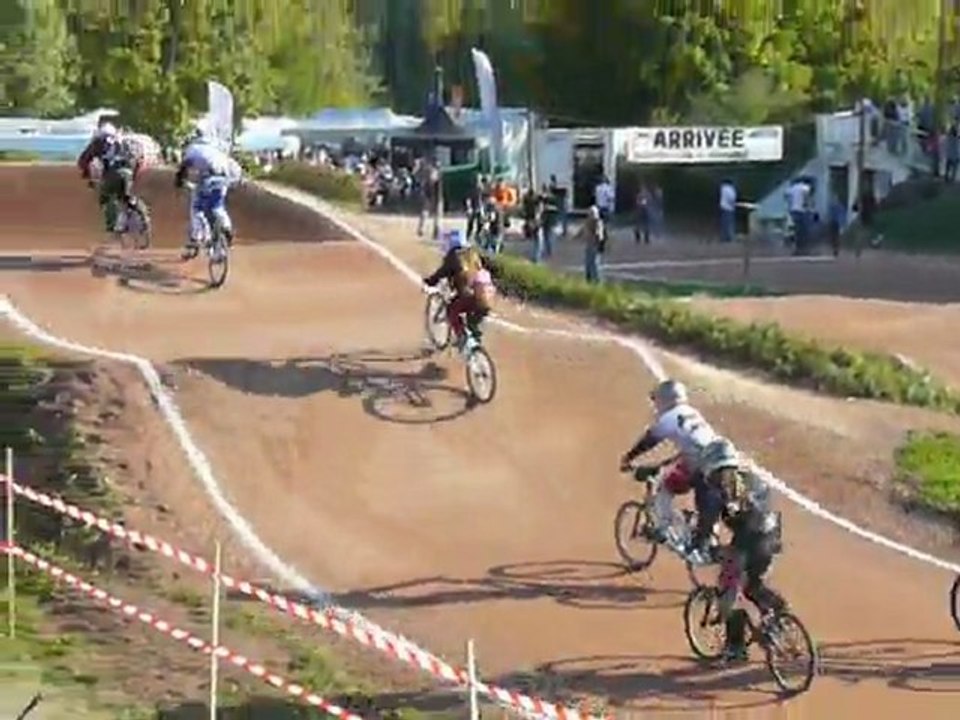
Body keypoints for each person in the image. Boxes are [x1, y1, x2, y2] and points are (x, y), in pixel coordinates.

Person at [688, 438, 786, 662]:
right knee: (753, 585)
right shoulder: (753, 478)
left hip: (747, 541)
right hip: (771, 536)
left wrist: (699, 544)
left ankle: (736, 647)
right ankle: (778, 612)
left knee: (728, 590)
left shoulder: (717, 491)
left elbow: (706, 524)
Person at [619, 380, 719, 544]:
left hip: (698, 463)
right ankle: (709, 531)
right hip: (717, 458)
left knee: (664, 485)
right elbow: (694, 443)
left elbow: (649, 440)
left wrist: (629, 457)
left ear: (666, 400)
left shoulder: (670, 417)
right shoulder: (692, 412)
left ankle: (663, 529)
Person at [174, 124, 243, 259]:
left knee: (197, 208)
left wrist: (179, 182)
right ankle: (226, 228)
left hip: (209, 179)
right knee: (218, 206)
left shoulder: (192, 149)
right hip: (224, 179)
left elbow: (184, 168)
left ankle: (196, 237)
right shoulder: (215, 148)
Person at [422, 230, 495, 350]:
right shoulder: (472, 253)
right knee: (473, 322)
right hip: (486, 296)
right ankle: (476, 348)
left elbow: (440, 274)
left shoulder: (453, 256)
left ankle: (461, 337)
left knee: (452, 311)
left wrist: (428, 282)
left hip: (468, 296)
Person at [77, 121, 146, 234]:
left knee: (106, 196)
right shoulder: (126, 141)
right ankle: (141, 216)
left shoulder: (98, 143)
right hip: (129, 172)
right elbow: (139, 159)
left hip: (113, 173)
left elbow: (83, 161)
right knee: (126, 197)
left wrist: (87, 175)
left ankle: (111, 224)